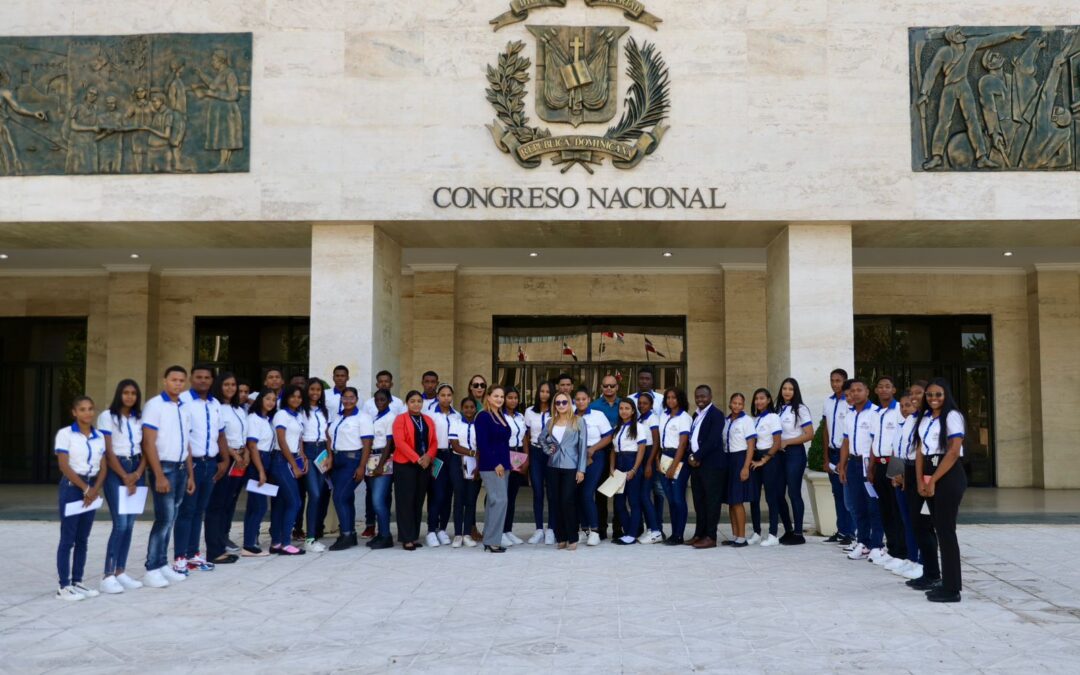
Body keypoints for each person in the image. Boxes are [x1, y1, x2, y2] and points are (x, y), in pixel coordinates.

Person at [914, 378, 967, 603]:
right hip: (928, 471)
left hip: (948, 474)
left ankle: (952, 588)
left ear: (946, 395)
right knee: (935, 527)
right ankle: (943, 581)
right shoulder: (925, 418)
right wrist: (920, 480)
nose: (933, 399)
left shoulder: (953, 416)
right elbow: (919, 451)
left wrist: (934, 479)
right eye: (930, 395)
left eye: (938, 395)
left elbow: (953, 451)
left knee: (946, 531)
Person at [173, 365, 228, 573]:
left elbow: (220, 433)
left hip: (210, 463)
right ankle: (180, 557)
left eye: (207, 377)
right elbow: (182, 436)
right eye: (199, 377)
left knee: (199, 511)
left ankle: (193, 554)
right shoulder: (183, 401)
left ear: (212, 380)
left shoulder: (215, 404)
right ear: (191, 379)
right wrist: (188, 469)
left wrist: (223, 460)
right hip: (192, 463)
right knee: (186, 511)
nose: (203, 381)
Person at [54, 396, 107, 601]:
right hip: (72, 488)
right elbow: (64, 466)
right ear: (74, 412)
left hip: (91, 487)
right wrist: (85, 489)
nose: (87, 413)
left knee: (83, 538)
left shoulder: (99, 436)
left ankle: (78, 581)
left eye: (90, 409)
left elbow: (103, 467)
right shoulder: (65, 434)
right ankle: (64, 586)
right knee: (68, 538)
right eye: (82, 409)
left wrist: (94, 489)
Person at [98, 380, 145, 594]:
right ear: (119, 394)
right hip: (116, 469)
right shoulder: (107, 417)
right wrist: (125, 476)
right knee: (120, 524)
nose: (129, 396)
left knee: (130, 524)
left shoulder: (139, 418)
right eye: (126, 392)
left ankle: (120, 571)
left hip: (136, 467)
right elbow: (108, 451)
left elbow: (147, 448)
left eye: (133, 393)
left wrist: (136, 473)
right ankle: (108, 575)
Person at [203, 373, 246, 565]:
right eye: (226, 384)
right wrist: (232, 455)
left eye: (233, 384)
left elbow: (242, 435)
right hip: (225, 459)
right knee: (217, 505)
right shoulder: (216, 407)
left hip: (239, 459)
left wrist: (243, 455)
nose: (230, 388)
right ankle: (215, 545)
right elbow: (219, 436)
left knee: (229, 502)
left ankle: (223, 538)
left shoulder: (239, 408)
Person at [537, 391, 587, 550]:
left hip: (571, 467)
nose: (561, 405)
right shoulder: (551, 421)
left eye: (564, 402)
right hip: (552, 466)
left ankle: (573, 537)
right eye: (557, 403)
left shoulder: (578, 421)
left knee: (568, 501)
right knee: (555, 502)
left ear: (570, 403)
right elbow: (541, 439)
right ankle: (561, 537)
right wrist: (548, 450)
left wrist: (581, 470)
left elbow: (583, 447)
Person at [326, 387, 374, 551]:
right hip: (337, 460)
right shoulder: (337, 416)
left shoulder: (363, 418)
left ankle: (346, 534)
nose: (348, 400)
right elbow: (329, 436)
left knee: (339, 496)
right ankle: (350, 533)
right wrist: (330, 456)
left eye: (351, 397)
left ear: (356, 399)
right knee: (346, 498)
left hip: (352, 460)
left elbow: (367, 443)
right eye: (344, 398)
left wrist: (362, 466)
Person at [867, 376, 908, 570]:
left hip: (895, 463)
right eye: (880, 387)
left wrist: (897, 470)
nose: (884, 390)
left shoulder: (900, 409)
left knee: (896, 509)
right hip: (879, 464)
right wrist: (871, 468)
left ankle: (902, 551)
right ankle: (892, 549)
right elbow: (874, 442)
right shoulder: (876, 413)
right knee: (885, 510)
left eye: (887, 386)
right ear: (876, 390)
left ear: (894, 389)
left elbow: (900, 440)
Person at [838, 379, 881, 561]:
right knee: (858, 506)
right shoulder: (850, 414)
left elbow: (875, 442)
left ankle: (877, 544)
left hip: (868, 463)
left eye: (859, 390)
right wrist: (843, 465)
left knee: (873, 506)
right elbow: (846, 442)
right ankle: (863, 542)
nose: (855, 393)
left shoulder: (875, 413)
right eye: (852, 391)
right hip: (854, 463)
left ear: (867, 391)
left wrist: (871, 467)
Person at [392, 391, 438, 551]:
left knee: (418, 501)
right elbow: (399, 442)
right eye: (412, 401)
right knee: (405, 501)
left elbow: (434, 442)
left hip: (424, 465)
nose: (416, 404)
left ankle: (414, 535)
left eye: (419, 401)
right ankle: (406, 538)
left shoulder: (428, 420)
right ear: (407, 402)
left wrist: (429, 457)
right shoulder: (400, 419)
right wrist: (417, 458)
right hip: (405, 465)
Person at [361, 370, 404, 537]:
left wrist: (381, 463)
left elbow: (392, 438)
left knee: (383, 494)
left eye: (387, 381)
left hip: (386, 457)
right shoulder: (369, 405)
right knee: (371, 493)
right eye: (381, 381)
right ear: (377, 384)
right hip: (370, 456)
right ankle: (372, 525)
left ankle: (384, 531)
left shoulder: (397, 406)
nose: (384, 384)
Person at [774, 377, 814, 545]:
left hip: (794, 454)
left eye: (791, 389)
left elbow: (809, 434)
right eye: (785, 388)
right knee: (778, 494)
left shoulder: (801, 409)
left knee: (793, 492)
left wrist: (787, 442)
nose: (787, 391)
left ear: (795, 391)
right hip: (779, 455)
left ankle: (798, 533)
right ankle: (788, 530)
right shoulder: (777, 409)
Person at [684, 386, 724, 548]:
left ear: (710, 396)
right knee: (698, 501)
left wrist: (696, 456)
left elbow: (713, 440)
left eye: (703, 396)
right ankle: (699, 534)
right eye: (697, 396)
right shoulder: (696, 414)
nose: (700, 399)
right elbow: (692, 438)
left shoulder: (716, 414)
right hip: (696, 465)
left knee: (712, 502)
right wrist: (690, 456)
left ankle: (711, 536)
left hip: (712, 465)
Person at [890, 391, 924, 581]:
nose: (905, 408)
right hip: (900, 474)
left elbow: (915, 453)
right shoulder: (905, 424)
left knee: (916, 520)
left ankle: (920, 560)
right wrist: (895, 475)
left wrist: (905, 476)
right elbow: (898, 451)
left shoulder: (920, 422)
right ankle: (911, 558)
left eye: (909, 404)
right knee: (906, 520)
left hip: (911, 474)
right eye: (903, 405)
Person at [573, 386, 613, 545]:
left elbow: (609, 436)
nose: (581, 402)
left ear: (589, 399)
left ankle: (595, 531)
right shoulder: (570, 416)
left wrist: (592, 449)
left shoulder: (598, 415)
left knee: (587, 493)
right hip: (576, 458)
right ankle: (584, 529)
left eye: (584, 399)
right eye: (578, 399)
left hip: (595, 457)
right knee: (578, 494)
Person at [269, 385, 306, 555]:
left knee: (282, 503)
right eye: (293, 396)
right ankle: (285, 543)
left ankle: (276, 542)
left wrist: (302, 456)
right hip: (281, 460)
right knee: (295, 502)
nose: (296, 400)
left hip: (292, 458)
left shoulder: (297, 416)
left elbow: (298, 439)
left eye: (299, 397)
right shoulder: (281, 414)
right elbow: (282, 440)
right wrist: (293, 464)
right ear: (286, 398)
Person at [629, 368, 666, 534]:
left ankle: (657, 527)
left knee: (657, 492)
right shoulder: (631, 400)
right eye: (641, 378)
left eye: (647, 378)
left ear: (652, 381)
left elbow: (656, 437)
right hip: (638, 452)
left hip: (653, 454)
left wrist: (653, 461)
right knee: (640, 494)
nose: (644, 381)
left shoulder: (661, 400)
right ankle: (643, 527)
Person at [475, 386, 512, 553]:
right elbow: (483, 444)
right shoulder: (483, 417)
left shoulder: (500, 415)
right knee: (500, 500)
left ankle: (489, 539)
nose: (499, 399)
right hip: (492, 466)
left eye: (502, 396)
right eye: (496, 396)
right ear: (488, 397)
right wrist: (496, 463)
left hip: (504, 465)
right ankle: (493, 541)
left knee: (494, 502)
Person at [194, 48, 244, 172]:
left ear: (221, 61)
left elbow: (234, 95)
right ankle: (224, 163)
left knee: (225, 137)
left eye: (214, 60)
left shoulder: (229, 73)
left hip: (227, 111)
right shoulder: (222, 73)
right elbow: (213, 85)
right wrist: (201, 74)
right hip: (221, 111)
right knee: (223, 136)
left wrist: (209, 94)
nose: (212, 62)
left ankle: (224, 163)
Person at [241, 389, 277, 556]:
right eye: (267, 398)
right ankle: (249, 544)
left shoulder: (266, 419)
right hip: (258, 461)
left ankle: (250, 540)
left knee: (255, 505)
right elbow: (253, 446)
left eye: (273, 400)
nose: (271, 402)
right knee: (260, 506)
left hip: (266, 458)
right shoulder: (254, 419)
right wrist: (261, 470)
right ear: (260, 399)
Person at [820, 368, 854, 545]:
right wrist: (826, 458)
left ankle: (851, 532)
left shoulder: (850, 402)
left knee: (849, 495)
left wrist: (844, 459)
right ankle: (841, 531)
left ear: (845, 381)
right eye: (832, 380)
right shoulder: (828, 401)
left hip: (846, 454)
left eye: (838, 380)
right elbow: (825, 429)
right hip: (833, 452)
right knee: (837, 494)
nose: (835, 384)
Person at [748, 389, 784, 546]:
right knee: (754, 497)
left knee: (771, 497)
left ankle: (773, 534)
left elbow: (777, 442)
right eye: (756, 398)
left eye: (762, 398)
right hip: (755, 458)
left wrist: (765, 459)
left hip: (770, 458)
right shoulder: (754, 419)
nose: (758, 401)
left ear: (769, 400)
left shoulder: (773, 417)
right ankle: (756, 532)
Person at [362, 389, 397, 550]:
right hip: (372, 459)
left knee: (378, 500)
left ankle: (386, 535)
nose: (380, 402)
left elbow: (389, 443)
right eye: (377, 400)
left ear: (389, 400)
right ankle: (381, 533)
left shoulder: (391, 417)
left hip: (383, 460)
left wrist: (381, 465)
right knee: (375, 499)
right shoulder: (376, 417)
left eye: (383, 400)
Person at [426, 383, 459, 548]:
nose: (446, 398)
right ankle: (431, 529)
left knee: (448, 493)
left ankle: (442, 529)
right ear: (438, 396)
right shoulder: (431, 415)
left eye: (449, 395)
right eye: (443, 395)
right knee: (437, 493)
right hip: (437, 455)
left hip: (453, 456)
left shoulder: (457, 416)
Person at [298, 378, 330, 552]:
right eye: (312, 389)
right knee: (315, 494)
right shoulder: (302, 410)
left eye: (318, 390)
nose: (315, 393)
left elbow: (327, 434)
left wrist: (330, 456)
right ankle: (309, 538)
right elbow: (299, 435)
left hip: (322, 453)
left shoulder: (324, 411)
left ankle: (314, 533)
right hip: (308, 453)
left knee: (321, 493)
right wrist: (302, 455)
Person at [721, 393, 756, 547]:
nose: (736, 406)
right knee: (730, 501)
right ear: (730, 403)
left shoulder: (746, 421)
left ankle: (742, 537)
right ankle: (735, 535)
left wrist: (745, 467)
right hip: (727, 459)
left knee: (737, 500)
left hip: (740, 459)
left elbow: (751, 445)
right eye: (734, 403)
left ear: (743, 405)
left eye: (740, 403)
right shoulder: (726, 421)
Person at [522, 380, 555, 545]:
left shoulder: (557, 411)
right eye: (542, 391)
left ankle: (551, 529)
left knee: (552, 492)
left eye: (548, 392)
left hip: (551, 453)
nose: (544, 394)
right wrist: (527, 457)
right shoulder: (529, 412)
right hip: (535, 452)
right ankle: (538, 529)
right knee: (537, 491)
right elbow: (526, 436)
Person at [611, 399, 647, 545]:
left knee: (633, 501)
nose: (623, 411)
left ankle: (632, 534)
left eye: (627, 408)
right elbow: (613, 451)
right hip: (619, 464)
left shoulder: (638, 427)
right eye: (621, 408)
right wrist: (611, 468)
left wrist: (634, 469)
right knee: (619, 502)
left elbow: (642, 449)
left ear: (633, 411)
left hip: (632, 463)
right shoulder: (617, 427)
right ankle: (627, 531)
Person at [658, 388, 692, 545]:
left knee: (678, 498)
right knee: (670, 499)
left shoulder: (684, 417)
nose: (671, 400)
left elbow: (683, 443)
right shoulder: (663, 415)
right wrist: (659, 460)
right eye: (668, 397)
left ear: (680, 399)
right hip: (664, 457)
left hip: (678, 458)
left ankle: (679, 534)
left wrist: (674, 466)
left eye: (674, 397)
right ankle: (674, 533)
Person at [590, 374, 621, 539]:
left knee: (619, 493)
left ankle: (618, 528)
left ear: (617, 387)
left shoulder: (623, 405)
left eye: (612, 386)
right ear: (601, 388)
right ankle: (601, 528)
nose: (609, 389)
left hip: (621, 454)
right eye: (605, 386)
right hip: (601, 453)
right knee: (601, 492)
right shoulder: (594, 406)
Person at [449, 396, 482, 548]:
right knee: (459, 497)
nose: (469, 410)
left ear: (476, 409)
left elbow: (482, 447)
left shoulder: (480, 425)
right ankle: (457, 534)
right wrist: (473, 454)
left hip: (476, 464)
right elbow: (455, 445)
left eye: (472, 407)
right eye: (466, 407)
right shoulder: (455, 423)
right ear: (462, 409)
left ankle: (467, 533)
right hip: (458, 462)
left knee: (471, 499)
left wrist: (478, 464)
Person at [634, 393, 664, 544]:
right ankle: (651, 529)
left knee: (645, 495)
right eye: (639, 403)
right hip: (642, 455)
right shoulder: (640, 418)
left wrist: (649, 463)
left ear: (651, 405)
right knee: (642, 496)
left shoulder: (652, 418)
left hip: (649, 457)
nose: (641, 406)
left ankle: (656, 530)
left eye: (645, 403)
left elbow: (656, 442)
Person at [502, 386, 527, 546]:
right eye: (509, 397)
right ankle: (499, 530)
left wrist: (526, 459)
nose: (513, 400)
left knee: (511, 495)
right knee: (501, 496)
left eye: (515, 398)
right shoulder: (499, 416)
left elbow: (525, 437)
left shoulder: (520, 416)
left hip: (517, 455)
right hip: (505, 453)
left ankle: (508, 530)